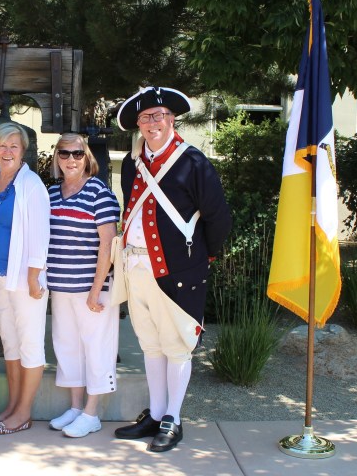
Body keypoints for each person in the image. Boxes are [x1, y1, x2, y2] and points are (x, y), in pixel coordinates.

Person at [113, 86, 231, 453]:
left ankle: (173, 419)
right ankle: (156, 414)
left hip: (178, 271)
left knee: (178, 346)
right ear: (138, 124)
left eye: (159, 116)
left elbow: (218, 217)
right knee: (150, 346)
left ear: (172, 119)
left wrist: (203, 259)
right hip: (136, 266)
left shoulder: (193, 162)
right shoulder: (132, 163)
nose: (153, 123)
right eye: (145, 117)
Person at [0, 122, 50, 435]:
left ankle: (23, 413)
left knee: (30, 344)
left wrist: (34, 276)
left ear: (23, 152)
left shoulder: (31, 184)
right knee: (10, 343)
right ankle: (11, 407)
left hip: (24, 278)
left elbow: (40, 233)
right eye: (2, 146)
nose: (8, 152)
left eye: (14, 146)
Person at [46, 134, 120, 438]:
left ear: (86, 157)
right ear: (57, 157)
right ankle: (76, 408)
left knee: (96, 348)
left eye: (77, 153)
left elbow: (108, 245)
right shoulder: (52, 193)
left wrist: (95, 290)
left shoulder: (99, 192)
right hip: (60, 285)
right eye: (64, 153)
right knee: (68, 348)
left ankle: (92, 413)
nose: (71, 159)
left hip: (92, 288)